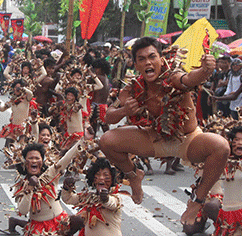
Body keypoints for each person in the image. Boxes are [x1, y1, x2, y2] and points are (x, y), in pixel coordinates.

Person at [98, 37, 229, 205]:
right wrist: (125, 111)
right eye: (142, 59)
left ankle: (198, 200)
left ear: (161, 59)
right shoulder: (133, 87)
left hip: (189, 141)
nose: (148, 62)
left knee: (221, 146)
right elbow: (109, 116)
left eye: (152, 57)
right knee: (106, 140)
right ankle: (133, 176)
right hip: (155, 140)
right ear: (136, 65)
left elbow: (189, 79)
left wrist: (205, 70)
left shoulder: (173, 77)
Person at [9, 142, 84, 236]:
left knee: (80, 219)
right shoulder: (22, 185)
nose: (34, 161)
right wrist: (30, 188)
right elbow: (22, 209)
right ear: (24, 162)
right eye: (30, 158)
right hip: (37, 229)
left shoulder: (50, 174)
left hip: (60, 223)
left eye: (37, 158)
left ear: (42, 162)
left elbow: (66, 159)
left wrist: (83, 140)